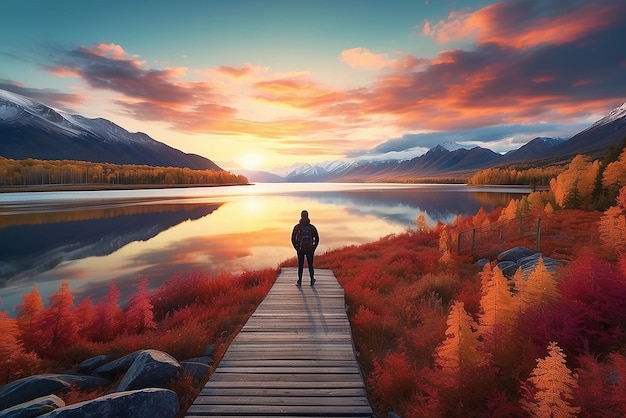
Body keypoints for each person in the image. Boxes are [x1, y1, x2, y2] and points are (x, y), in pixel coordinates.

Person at [291, 209, 319, 286]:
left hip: (300, 249)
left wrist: (296, 248)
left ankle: (299, 280)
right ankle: (312, 279)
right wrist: (313, 248)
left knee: (300, 265)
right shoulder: (312, 227)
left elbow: (293, 238)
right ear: (308, 216)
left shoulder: (297, 227)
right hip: (310, 249)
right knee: (310, 264)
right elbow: (317, 238)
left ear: (301, 216)